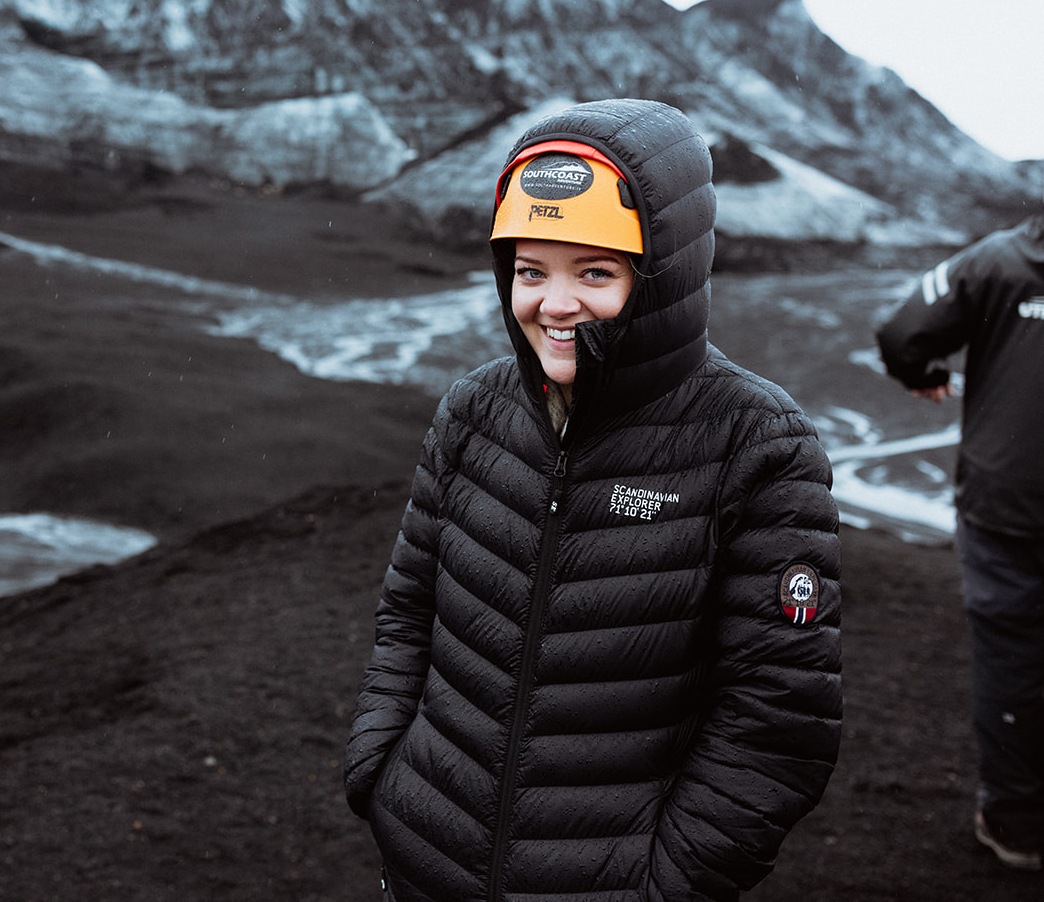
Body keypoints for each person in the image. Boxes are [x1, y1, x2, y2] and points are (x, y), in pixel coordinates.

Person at [344, 98, 842, 901]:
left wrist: (663, 884)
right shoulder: (472, 412)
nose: (555, 304)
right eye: (531, 270)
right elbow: (408, 609)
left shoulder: (759, 445)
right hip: (422, 864)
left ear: (664, 274)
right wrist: (382, 773)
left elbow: (778, 720)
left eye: (596, 272)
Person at [876, 213, 1044, 872]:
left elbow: (900, 330)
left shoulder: (998, 260)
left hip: (1007, 500)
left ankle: (1018, 823)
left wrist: (916, 369)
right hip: (1007, 503)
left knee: (1012, 660)